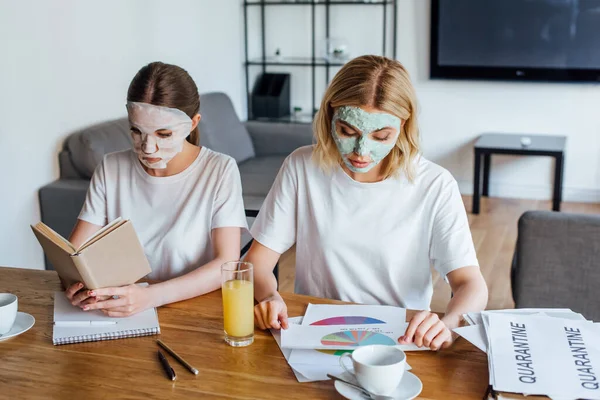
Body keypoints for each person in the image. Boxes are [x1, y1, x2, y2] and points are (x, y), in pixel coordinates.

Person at [246, 55, 488, 351]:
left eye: (380, 136)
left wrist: (448, 325)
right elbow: (257, 262)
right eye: (348, 132)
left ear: (403, 126)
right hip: (316, 335)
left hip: (399, 342)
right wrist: (269, 296)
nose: (361, 151)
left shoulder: (435, 185)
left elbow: (470, 284)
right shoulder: (302, 167)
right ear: (330, 116)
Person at [64, 62, 247, 317]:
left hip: (192, 311)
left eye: (163, 134)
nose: (148, 148)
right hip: (118, 310)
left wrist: (149, 297)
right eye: (137, 132)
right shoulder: (111, 167)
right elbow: (74, 254)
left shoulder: (219, 170)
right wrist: (75, 285)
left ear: (193, 123)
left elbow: (226, 264)